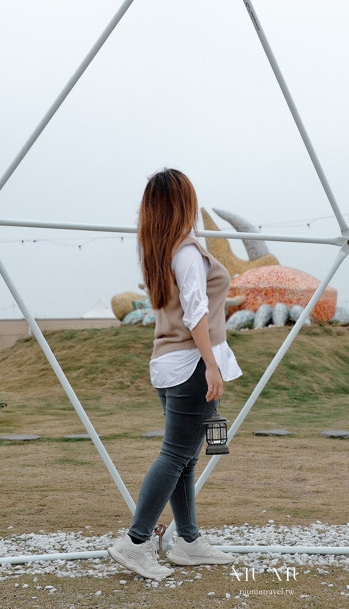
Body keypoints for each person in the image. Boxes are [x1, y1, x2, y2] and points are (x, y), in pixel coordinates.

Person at [108, 168, 242, 580]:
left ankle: (187, 540)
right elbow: (196, 310)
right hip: (190, 365)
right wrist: (212, 366)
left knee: (183, 458)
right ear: (182, 203)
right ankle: (135, 542)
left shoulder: (159, 249)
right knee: (175, 455)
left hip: (169, 364)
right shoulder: (185, 252)